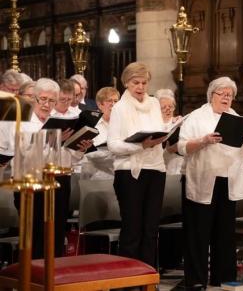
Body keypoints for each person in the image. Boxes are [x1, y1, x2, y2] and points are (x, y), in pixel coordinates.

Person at [178, 76, 243, 289]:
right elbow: (182, 148)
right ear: (211, 95)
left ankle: (223, 276)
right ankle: (196, 279)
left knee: (224, 233)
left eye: (230, 95)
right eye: (222, 94)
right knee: (198, 233)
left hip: (227, 181)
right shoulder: (196, 117)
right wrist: (204, 140)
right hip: (202, 179)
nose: (226, 98)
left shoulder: (235, 117)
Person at [15, 78, 92, 258]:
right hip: (31, 183)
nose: (46, 104)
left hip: (59, 181)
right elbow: (24, 155)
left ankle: (54, 277)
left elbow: (66, 157)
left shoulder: (57, 121)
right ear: (33, 98)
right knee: (35, 234)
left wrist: (79, 148)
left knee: (56, 232)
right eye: (43, 99)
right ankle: (32, 280)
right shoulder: (23, 120)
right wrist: (53, 141)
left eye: (51, 100)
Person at [107, 62, 167, 266]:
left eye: (144, 83)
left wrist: (168, 130)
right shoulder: (119, 108)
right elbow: (113, 145)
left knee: (151, 230)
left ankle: (148, 278)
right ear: (126, 83)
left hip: (156, 169)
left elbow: (159, 131)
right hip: (129, 173)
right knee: (132, 229)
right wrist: (141, 145)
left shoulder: (155, 104)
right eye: (135, 83)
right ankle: (128, 281)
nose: (140, 87)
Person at [81, 86, 119, 180]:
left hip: (118, 170)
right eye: (110, 101)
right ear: (100, 105)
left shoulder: (123, 123)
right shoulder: (90, 123)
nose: (113, 104)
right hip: (95, 172)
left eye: (116, 101)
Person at [155, 88, 183, 175]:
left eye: (170, 106)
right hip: (157, 166)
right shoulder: (153, 125)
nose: (168, 109)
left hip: (176, 166)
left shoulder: (179, 122)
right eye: (163, 107)